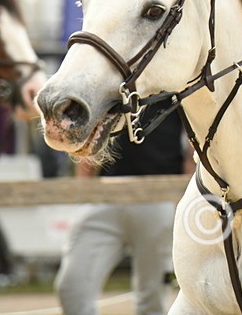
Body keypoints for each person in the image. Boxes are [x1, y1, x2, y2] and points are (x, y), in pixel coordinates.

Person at [55, 105, 193, 315]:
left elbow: (191, 146)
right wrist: (85, 192)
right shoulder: (107, 86)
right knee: (72, 287)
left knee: (152, 300)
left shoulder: (170, 89)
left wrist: (181, 199)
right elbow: (87, 137)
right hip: (105, 196)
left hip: (159, 197)